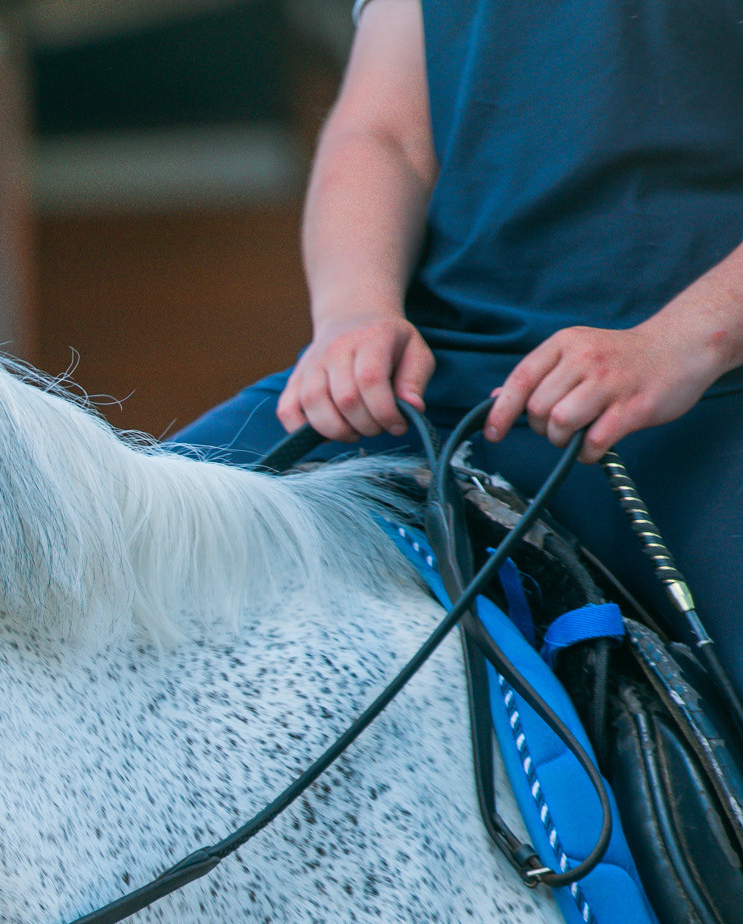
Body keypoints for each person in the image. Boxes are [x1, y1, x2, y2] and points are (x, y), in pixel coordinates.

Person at [171, 0, 743, 689]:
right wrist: (354, 313)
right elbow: (383, 135)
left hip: (702, 396)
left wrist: (680, 342)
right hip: (420, 385)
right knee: (107, 555)